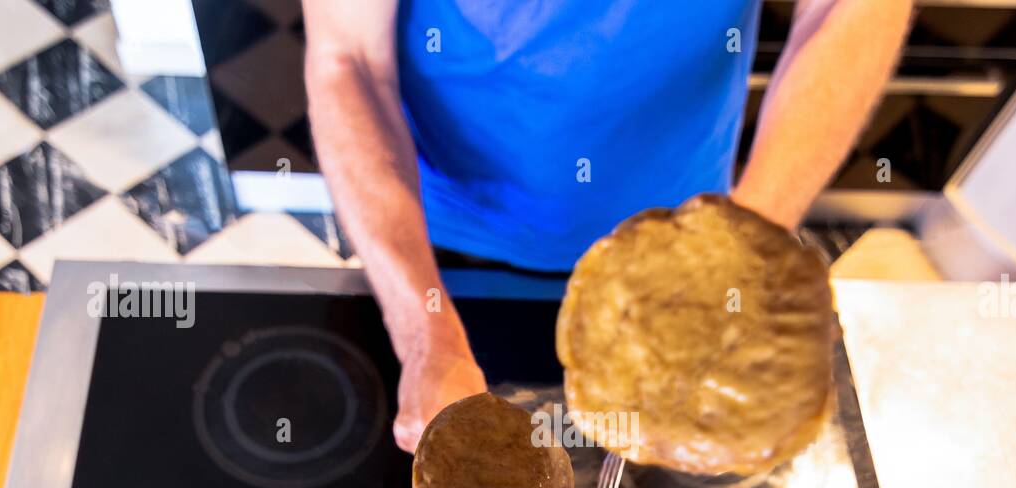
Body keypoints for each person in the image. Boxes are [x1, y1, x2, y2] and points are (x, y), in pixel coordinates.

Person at [303, 0, 912, 451]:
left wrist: (744, 245)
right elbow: (347, 56)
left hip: (688, 225)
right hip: (444, 230)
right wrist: (424, 337)